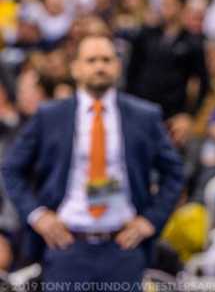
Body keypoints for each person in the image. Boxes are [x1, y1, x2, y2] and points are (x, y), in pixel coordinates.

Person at [1, 34, 184, 289]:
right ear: (75, 68)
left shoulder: (144, 115)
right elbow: (11, 169)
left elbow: (175, 172)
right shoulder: (50, 115)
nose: (100, 66)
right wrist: (38, 216)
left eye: (107, 60)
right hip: (66, 246)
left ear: (118, 66)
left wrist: (150, 220)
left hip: (123, 247)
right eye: (91, 60)